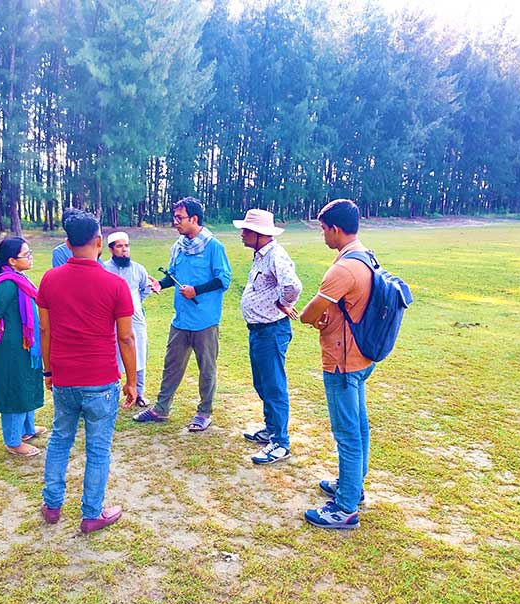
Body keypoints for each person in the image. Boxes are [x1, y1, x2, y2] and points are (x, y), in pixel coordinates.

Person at [37, 212, 138, 534]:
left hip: (65, 377)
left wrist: (48, 372)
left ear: (67, 244)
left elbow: (45, 329)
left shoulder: (50, 279)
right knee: (97, 449)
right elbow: (126, 336)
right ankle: (91, 513)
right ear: (98, 242)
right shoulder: (115, 284)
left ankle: (52, 505)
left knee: (59, 440)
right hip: (101, 380)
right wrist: (132, 381)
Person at [299, 199, 374, 530]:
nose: (322, 235)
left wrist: (305, 317)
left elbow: (311, 312)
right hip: (361, 356)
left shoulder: (342, 269)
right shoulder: (365, 256)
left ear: (336, 229)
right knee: (358, 427)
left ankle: (344, 509)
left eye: (323, 229)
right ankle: (352, 487)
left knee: (347, 434)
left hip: (343, 362)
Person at [133, 196, 231, 432]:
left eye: (179, 218)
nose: (175, 222)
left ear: (194, 219)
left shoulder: (213, 246)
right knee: (171, 365)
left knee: (206, 369)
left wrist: (196, 290)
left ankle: (204, 412)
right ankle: (161, 409)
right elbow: (173, 275)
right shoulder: (178, 246)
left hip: (205, 320)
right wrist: (161, 284)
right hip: (181, 320)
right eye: (174, 217)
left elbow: (223, 280)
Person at [234, 209, 302, 465]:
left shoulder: (275, 255)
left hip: (272, 331)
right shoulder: (260, 254)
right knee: (262, 384)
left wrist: (283, 303)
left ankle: (280, 442)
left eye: (246, 230)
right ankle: (271, 430)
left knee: (273, 386)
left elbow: (293, 285)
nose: (242, 234)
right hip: (259, 331)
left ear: (259, 234)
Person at [0, 237, 46, 457]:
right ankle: (13, 441)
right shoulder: (7, 283)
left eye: (30, 252)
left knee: (26, 384)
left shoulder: (20, 279)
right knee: (14, 389)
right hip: (10, 348)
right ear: (12, 260)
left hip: (26, 346)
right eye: (26, 255)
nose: (30, 257)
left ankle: (26, 429)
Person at [103, 231, 154, 407]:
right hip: (110, 320)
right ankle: (111, 392)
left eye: (126, 246)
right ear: (111, 249)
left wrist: (134, 304)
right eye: (119, 246)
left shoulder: (138, 269)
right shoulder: (103, 269)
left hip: (135, 318)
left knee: (138, 354)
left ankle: (139, 393)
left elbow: (145, 289)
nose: (124, 250)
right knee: (111, 356)